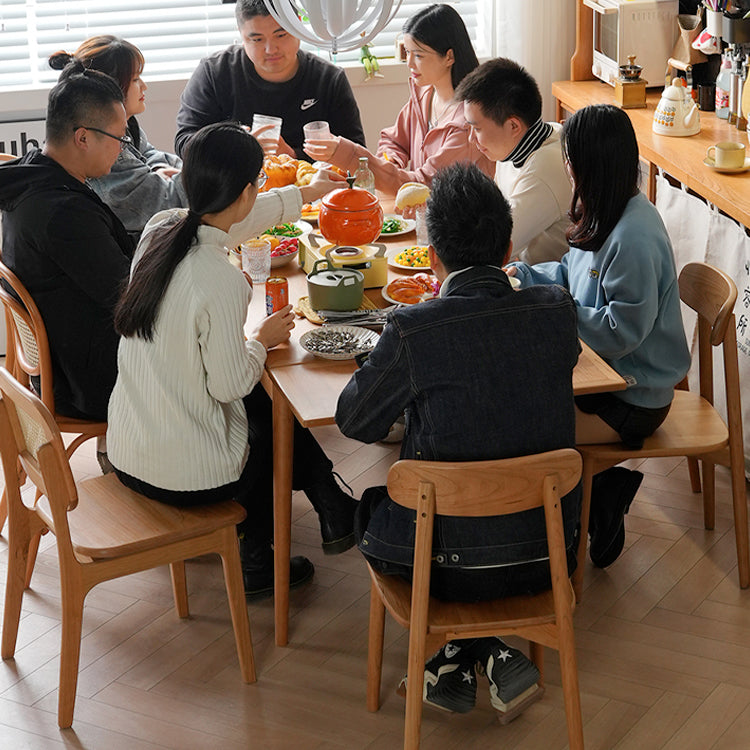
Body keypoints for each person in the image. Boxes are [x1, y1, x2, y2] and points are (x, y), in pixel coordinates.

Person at [336, 163, 580, 716]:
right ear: (509, 244)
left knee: (375, 510)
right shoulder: (557, 313)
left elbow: (356, 422)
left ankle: (453, 652)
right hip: (547, 552)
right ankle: (483, 649)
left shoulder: (414, 330)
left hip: (440, 563)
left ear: (434, 256)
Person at [108, 122, 357, 598]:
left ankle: (328, 506)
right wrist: (261, 339)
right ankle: (260, 558)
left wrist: (304, 193)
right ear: (247, 189)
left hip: (130, 450)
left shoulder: (159, 232)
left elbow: (228, 220)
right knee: (267, 405)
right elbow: (229, 386)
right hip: (182, 476)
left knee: (261, 397)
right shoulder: (219, 279)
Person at [508, 104, 691, 568]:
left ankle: (578, 520)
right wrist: (526, 276)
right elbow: (570, 277)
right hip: (604, 377)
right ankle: (598, 495)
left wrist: (555, 308)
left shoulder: (634, 235)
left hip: (634, 397)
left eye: (569, 160)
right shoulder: (605, 210)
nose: (566, 169)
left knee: (533, 431)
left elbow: (621, 332)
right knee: (522, 399)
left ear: (590, 164)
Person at [0, 63, 133, 427]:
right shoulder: (62, 214)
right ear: (83, 137)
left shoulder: (34, 175)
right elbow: (131, 299)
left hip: (65, 362)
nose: (122, 151)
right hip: (92, 382)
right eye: (120, 139)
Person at [303, 4, 494, 196]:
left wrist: (346, 154)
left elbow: (423, 185)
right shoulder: (424, 95)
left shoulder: (468, 125)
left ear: (449, 57)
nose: (409, 63)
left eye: (418, 55)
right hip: (421, 215)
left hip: (458, 222)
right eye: (407, 52)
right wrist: (391, 162)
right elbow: (395, 141)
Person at [174, 0, 365, 159]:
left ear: (299, 27)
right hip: (235, 192)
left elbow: (357, 155)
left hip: (313, 194)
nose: (270, 49)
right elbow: (184, 142)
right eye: (257, 40)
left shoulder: (329, 79)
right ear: (241, 35)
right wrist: (238, 147)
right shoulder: (214, 73)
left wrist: (292, 156)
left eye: (280, 35)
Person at [49, 36, 186, 241]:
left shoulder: (125, 128)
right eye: (135, 79)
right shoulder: (106, 153)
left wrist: (157, 170)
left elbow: (150, 154)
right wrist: (201, 173)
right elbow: (170, 203)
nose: (144, 86)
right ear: (111, 88)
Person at [454, 57, 572, 264]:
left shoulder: (544, 170)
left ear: (513, 126)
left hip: (546, 287)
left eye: (477, 128)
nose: (472, 139)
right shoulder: (518, 146)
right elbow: (494, 217)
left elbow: (495, 249)